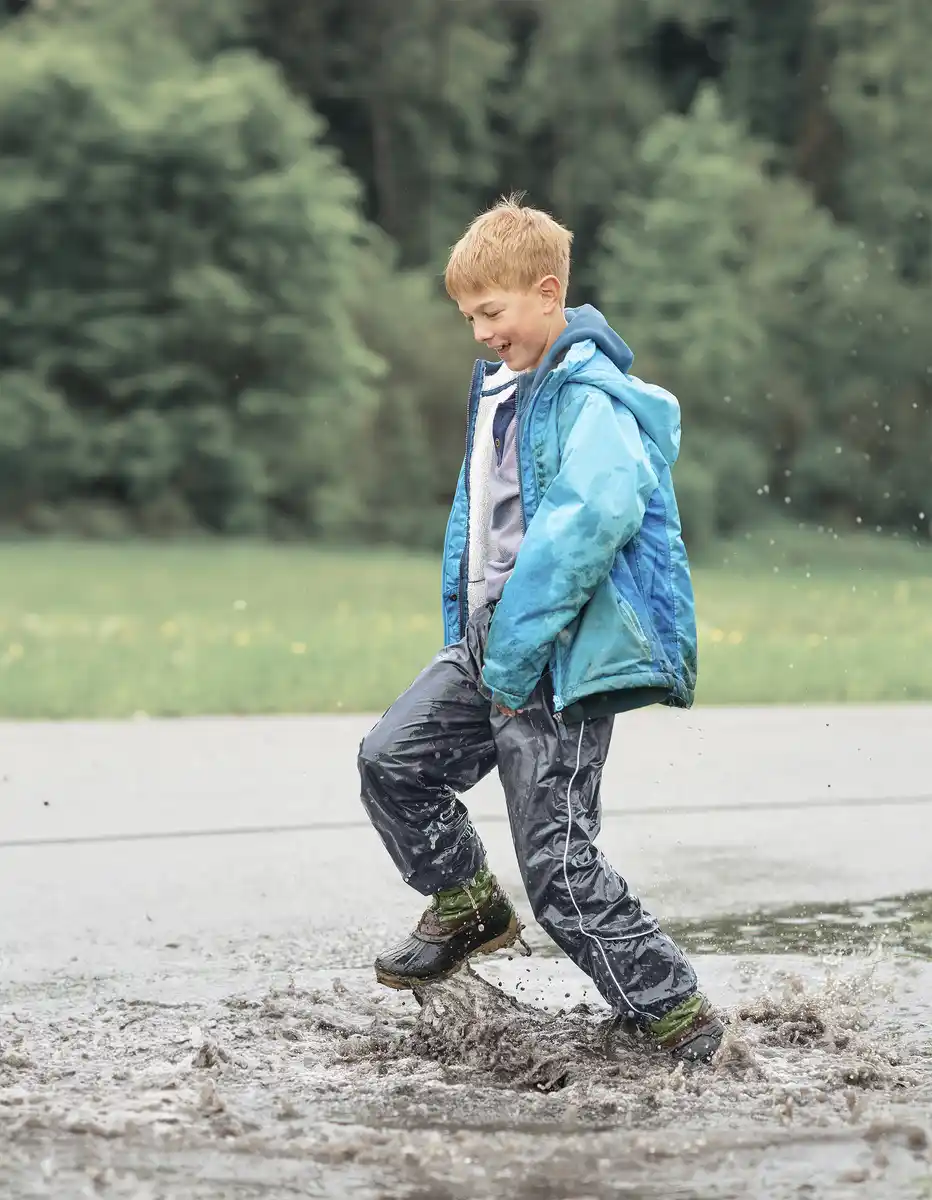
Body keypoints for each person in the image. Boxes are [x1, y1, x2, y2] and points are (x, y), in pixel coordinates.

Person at [357, 196, 723, 1062]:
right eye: (469, 318)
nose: (480, 332)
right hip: (491, 638)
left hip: (558, 657)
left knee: (559, 869)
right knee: (392, 761)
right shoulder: (504, 390)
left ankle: (681, 1023)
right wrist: (482, 634)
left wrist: (517, 651)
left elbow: (590, 523)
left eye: (493, 312)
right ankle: (468, 905)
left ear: (548, 292)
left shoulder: (591, 398)